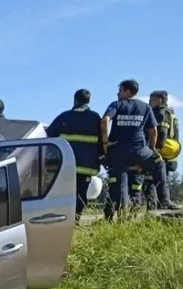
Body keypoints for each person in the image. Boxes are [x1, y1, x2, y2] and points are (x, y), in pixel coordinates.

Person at [100, 79, 174, 219]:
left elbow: (104, 121)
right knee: (159, 163)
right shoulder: (145, 107)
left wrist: (105, 142)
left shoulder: (116, 105)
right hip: (139, 149)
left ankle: (120, 213)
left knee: (120, 180)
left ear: (128, 91)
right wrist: (151, 150)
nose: (118, 93)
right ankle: (164, 199)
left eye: (120, 90)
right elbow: (153, 130)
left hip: (118, 150)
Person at [45, 89, 103, 219]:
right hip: (86, 166)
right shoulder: (95, 118)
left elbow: (48, 136)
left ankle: (64, 219)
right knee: (81, 194)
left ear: (75, 100)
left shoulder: (64, 117)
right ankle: (77, 219)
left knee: (65, 195)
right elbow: (102, 140)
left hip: (66, 166)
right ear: (88, 101)